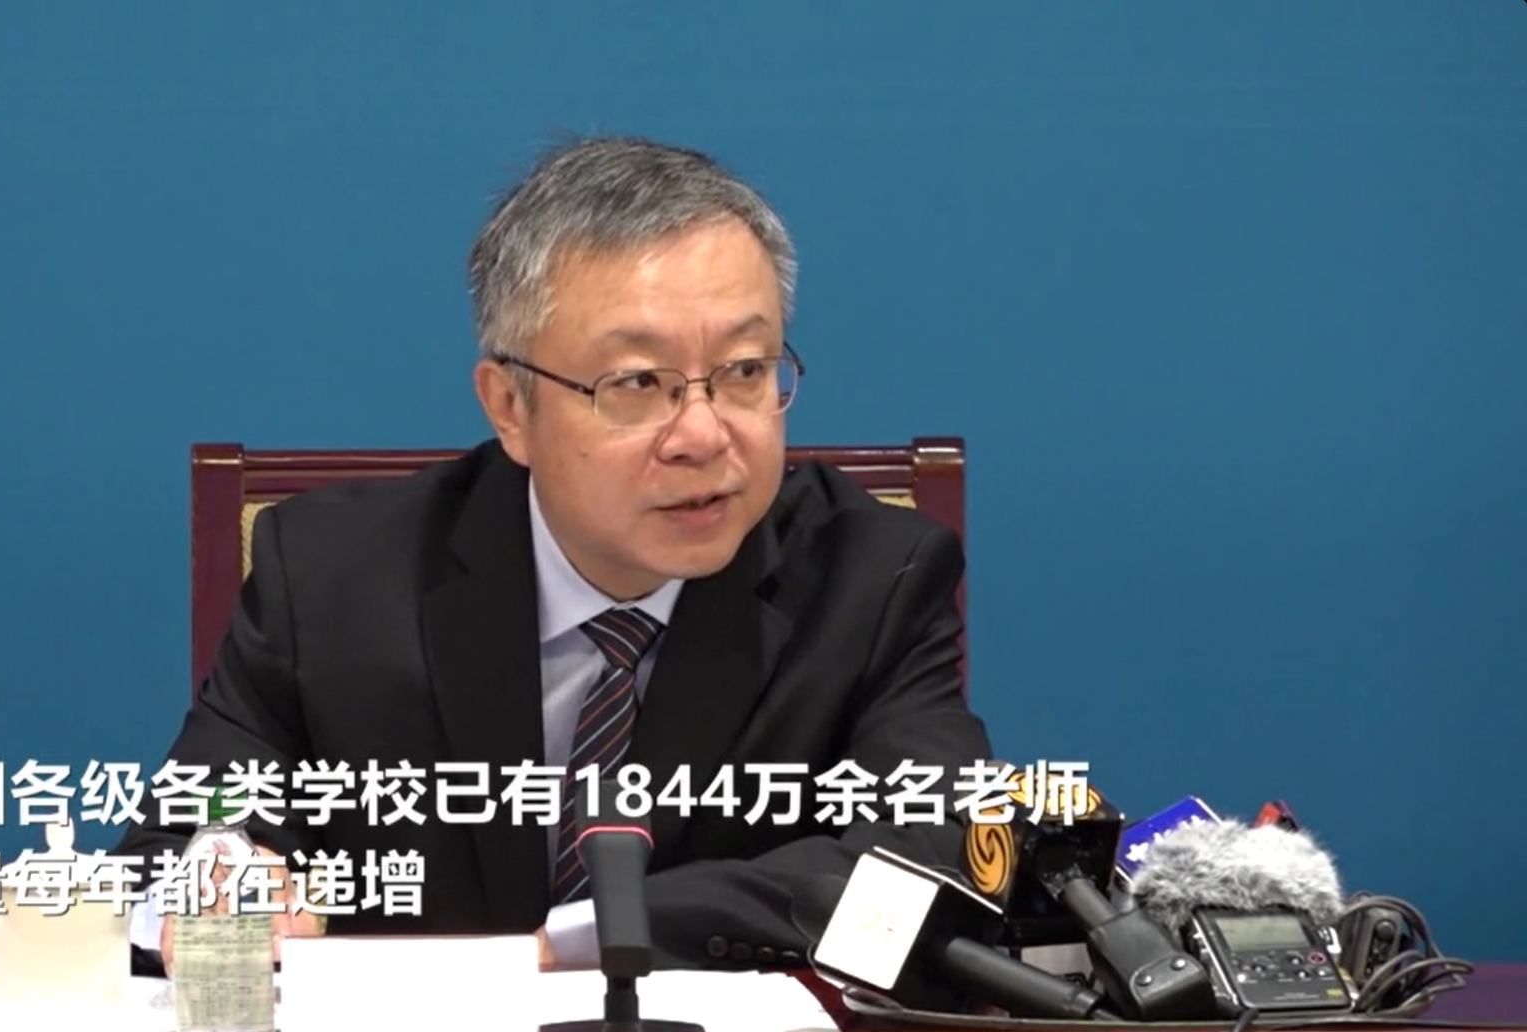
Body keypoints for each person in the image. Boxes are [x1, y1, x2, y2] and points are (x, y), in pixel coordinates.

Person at [114, 135, 994, 976]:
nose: (702, 433)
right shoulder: (330, 578)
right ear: (510, 407)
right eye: (637, 382)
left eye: (744, 371)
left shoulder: (872, 582)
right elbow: (181, 838)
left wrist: (581, 941)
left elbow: (938, 854)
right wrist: (218, 870)